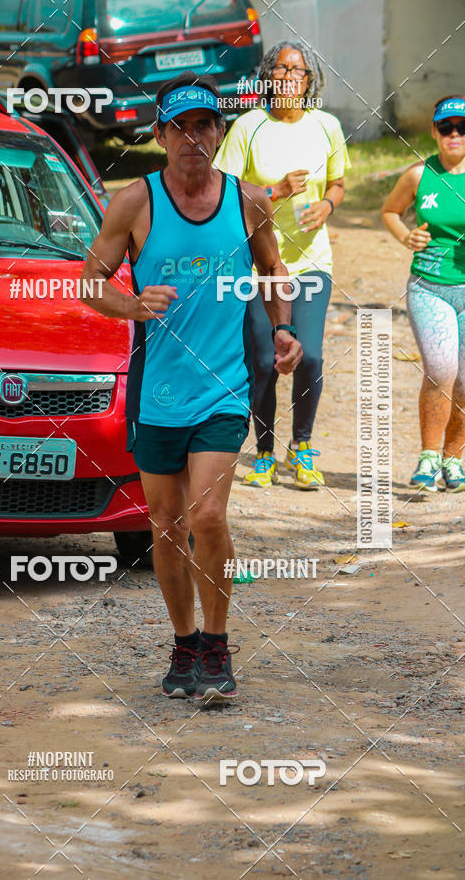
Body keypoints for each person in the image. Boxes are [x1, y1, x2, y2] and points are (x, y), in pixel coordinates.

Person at [81, 71, 302, 700]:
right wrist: (130, 304)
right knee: (165, 521)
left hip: (225, 386)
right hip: (157, 389)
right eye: (179, 126)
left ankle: (216, 643)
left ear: (219, 131)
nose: (191, 138)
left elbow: (272, 267)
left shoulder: (248, 200)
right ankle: (182, 645)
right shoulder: (134, 201)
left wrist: (282, 327)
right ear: (159, 135)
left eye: (203, 125)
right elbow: (89, 280)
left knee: (208, 513)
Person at [213, 40, 350, 490]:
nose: (289, 77)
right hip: (258, 268)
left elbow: (339, 182)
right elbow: (224, 196)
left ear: (309, 81)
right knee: (265, 361)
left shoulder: (327, 126)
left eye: (298, 71)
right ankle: (266, 451)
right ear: (267, 77)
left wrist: (328, 205)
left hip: (310, 263)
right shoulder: (248, 128)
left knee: (308, 356)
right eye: (281, 70)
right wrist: (273, 193)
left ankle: (303, 447)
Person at [382, 95, 465, 492]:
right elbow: (389, 212)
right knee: (440, 369)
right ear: (434, 131)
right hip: (429, 288)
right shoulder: (419, 175)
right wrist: (406, 237)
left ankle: (453, 460)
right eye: (446, 127)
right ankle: (428, 457)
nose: (454, 134)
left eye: (462, 127)